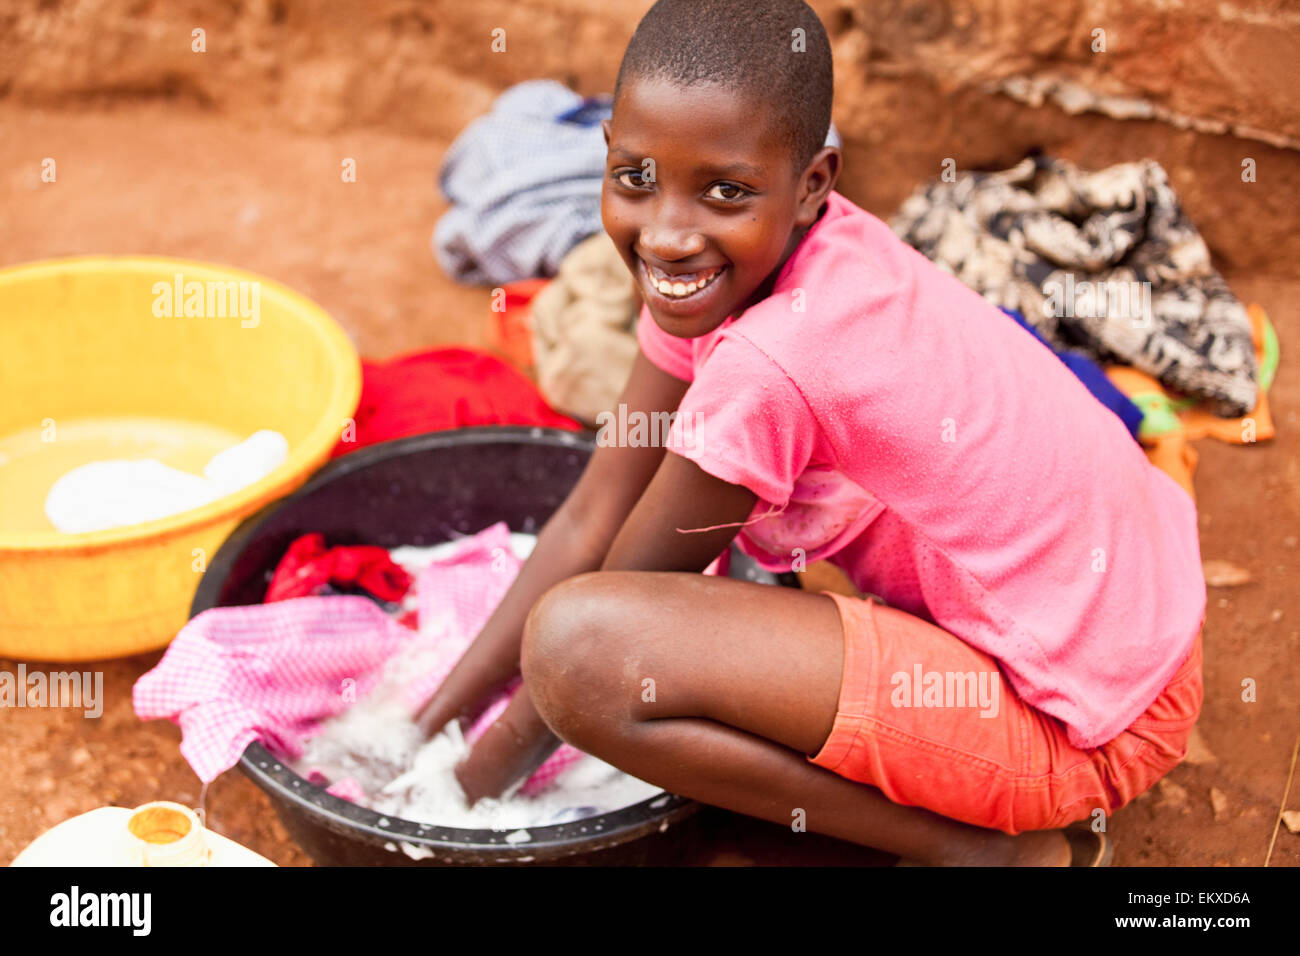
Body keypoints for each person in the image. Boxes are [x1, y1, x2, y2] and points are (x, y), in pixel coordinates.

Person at [415, 0, 1206, 865]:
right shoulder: (745, 266)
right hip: (1126, 634)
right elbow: (594, 510)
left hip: (1087, 725)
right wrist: (424, 725)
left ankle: (991, 856)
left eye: (726, 190)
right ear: (606, 152)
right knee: (597, 638)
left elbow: (592, 643)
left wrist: (447, 798)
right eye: (636, 176)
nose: (669, 234)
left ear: (813, 182)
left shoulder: (775, 361)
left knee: (580, 655)